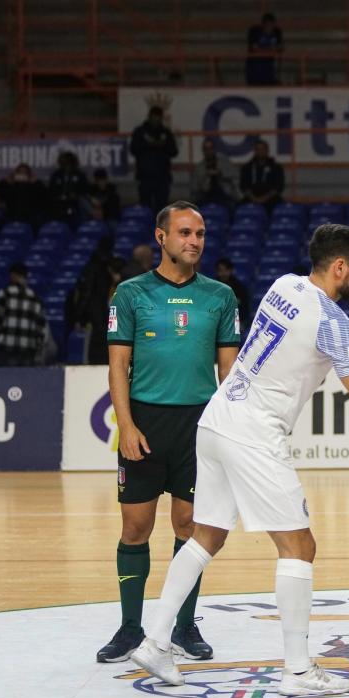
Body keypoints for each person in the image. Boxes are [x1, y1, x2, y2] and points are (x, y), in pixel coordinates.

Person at [128, 224, 349, 695]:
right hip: (254, 435)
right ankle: (298, 671)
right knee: (299, 547)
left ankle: (155, 641)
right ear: (339, 266)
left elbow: (305, 332)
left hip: (217, 419)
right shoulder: (333, 323)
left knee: (205, 537)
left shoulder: (285, 285)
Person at [95, 201, 242, 664]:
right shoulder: (130, 294)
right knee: (135, 528)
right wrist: (127, 426)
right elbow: (118, 366)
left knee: (189, 528)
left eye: (199, 234)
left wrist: (229, 430)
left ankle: (182, 626)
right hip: (145, 423)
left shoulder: (221, 296)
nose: (194, 241)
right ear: (161, 238)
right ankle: (130, 628)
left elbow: (230, 372)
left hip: (198, 427)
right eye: (184, 233)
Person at [0, 262, 48, 366]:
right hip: (28, 348)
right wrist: (38, 346)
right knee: (25, 381)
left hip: (7, 347)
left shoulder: (5, 293)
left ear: (12, 275)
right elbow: (41, 327)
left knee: (5, 381)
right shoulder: (35, 297)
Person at [129, 106, 179, 213]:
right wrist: (148, 145)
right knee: (145, 209)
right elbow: (133, 149)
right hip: (145, 177)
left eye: (158, 118)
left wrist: (162, 145)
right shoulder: (140, 132)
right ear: (149, 117)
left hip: (162, 178)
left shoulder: (166, 133)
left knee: (161, 211)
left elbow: (174, 151)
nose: (156, 120)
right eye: (154, 117)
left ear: (161, 118)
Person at [0, 164, 49, 229]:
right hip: (12, 217)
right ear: (15, 174)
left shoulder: (34, 186)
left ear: (29, 175)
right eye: (20, 173)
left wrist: (37, 183)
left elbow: (45, 196)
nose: (22, 175)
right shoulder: (11, 186)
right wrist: (5, 182)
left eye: (25, 173)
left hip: (31, 218)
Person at [239, 139, 284, 215]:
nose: (260, 151)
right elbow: (243, 186)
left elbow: (278, 187)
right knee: (239, 207)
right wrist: (254, 199)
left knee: (280, 208)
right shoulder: (247, 167)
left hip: (271, 199)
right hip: (251, 198)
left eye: (263, 149)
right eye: (258, 149)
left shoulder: (276, 167)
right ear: (255, 151)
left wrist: (263, 199)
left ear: (267, 150)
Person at [190, 138, 240, 207]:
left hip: (225, 194)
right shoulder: (199, 168)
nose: (208, 151)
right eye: (206, 149)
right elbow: (194, 188)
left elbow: (235, 178)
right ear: (203, 151)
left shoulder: (225, 163)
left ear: (214, 149)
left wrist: (221, 174)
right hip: (205, 196)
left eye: (210, 148)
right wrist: (206, 176)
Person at [49, 151, 88, 227]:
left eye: (69, 163)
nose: (67, 166)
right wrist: (59, 196)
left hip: (76, 204)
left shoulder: (80, 175)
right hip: (59, 205)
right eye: (65, 163)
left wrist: (76, 195)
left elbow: (85, 190)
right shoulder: (56, 175)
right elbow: (51, 191)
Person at [215, 257, 250, 340]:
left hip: (236, 320)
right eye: (220, 270)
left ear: (231, 271)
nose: (223, 273)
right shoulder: (213, 287)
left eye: (226, 270)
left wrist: (241, 321)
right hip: (216, 320)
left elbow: (246, 307)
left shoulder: (239, 287)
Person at [246, 12, 283, 86]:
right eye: (267, 25)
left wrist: (263, 50)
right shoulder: (255, 31)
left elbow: (280, 48)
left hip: (269, 69)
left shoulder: (277, 32)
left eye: (271, 25)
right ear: (263, 25)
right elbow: (254, 49)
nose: (269, 28)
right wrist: (271, 50)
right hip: (255, 68)